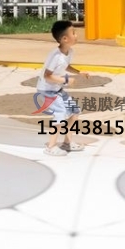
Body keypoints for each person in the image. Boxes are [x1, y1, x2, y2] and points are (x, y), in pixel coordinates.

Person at [36, 20, 86, 156]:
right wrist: (66, 80)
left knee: (75, 111)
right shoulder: (55, 56)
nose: (76, 35)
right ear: (64, 39)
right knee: (60, 113)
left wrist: (79, 72)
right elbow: (47, 76)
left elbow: (66, 66)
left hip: (57, 89)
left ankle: (67, 143)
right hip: (47, 90)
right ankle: (51, 147)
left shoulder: (69, 52)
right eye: (73, 33)